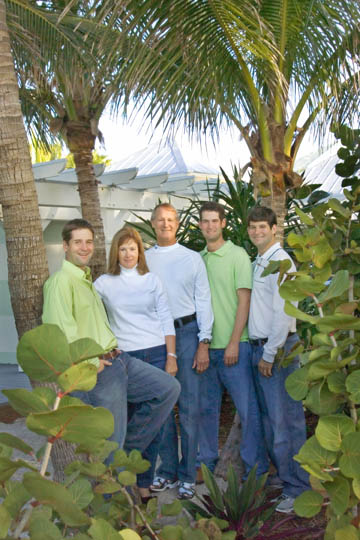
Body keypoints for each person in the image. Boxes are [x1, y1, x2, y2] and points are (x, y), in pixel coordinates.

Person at [42, 218, 180, 469]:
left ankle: (126, 450)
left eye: (88, 242)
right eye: (77, 242)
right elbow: (60, 333)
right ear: (65, 246)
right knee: (110, 443)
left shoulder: (86, 281)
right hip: (99, 371)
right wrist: (93, 363)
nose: (84, 247)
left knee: (168, 388)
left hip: (120, 358)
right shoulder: (61, 283)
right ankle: (115, 487)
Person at [94, 226, 176, 502]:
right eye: (123, 248)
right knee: (125, 422)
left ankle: (144, 484)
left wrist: (171, 356)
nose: (128, 254)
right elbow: (93, 319)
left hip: (155, 351)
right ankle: (124, 479)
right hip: (124, 359)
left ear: (140, 251)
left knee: (155, 427)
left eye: (133, 248)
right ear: (115, 251)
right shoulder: (103, 283)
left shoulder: (152, 280)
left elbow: (166, 319)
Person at [146, 203, 213, 499]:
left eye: (170, 219)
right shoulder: (143, 259)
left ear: (178, 223)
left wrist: (203, 341)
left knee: (189, 408)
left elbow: (204, 301)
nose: (165, 224)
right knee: (160, 408)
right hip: (155, 337)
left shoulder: (192, 258)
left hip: (187, 333)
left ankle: (188, 474)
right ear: (152, 223)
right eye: (160, 220)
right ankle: (167, 471)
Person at [197, 201, 268, 479]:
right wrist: (202, 346)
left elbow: (244, 301)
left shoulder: (238, 255)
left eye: (215, 221)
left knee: (248, 412)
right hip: (206, 351)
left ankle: (256, 471)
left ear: (224, 223)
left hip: (235, 349)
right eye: (205, 221)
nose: (210, 226)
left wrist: (234, 342)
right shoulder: (198, 259)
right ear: (200, 225)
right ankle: (206, 464)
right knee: (206, 411)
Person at [247, 206, 309, 514]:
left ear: (274, 229)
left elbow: (284, 315)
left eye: (262, 227)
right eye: (253, 227)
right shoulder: (260, 261)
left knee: (287, 421)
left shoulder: (282, 262)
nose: (257, 232)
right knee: (273, 420)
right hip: (262, 348)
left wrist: (269, 354)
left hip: (279, 350)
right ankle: (287, 478)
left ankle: (299, 488)